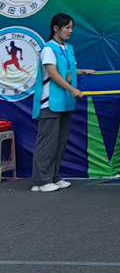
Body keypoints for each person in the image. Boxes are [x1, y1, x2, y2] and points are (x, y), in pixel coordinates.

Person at [30, 13, 93, 192]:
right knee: (47, 143)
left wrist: (83, 71)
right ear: (56, 28)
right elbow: (53, 74)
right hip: (49, 103)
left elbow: (68, 71)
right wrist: (73, 90)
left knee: (60, 142)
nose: (70, 31)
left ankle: (54, 177)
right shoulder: (48, 48)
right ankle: (41, 181)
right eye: (67, 27)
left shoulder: (68, 48)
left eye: (72, 27)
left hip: (65, 103)